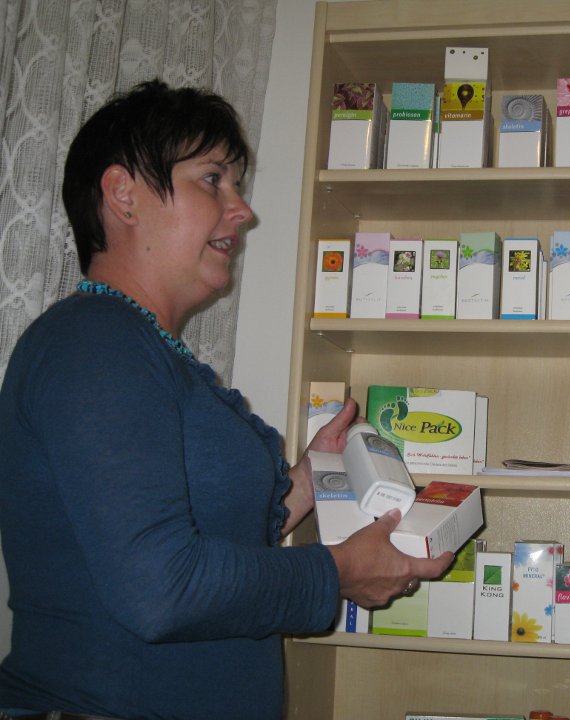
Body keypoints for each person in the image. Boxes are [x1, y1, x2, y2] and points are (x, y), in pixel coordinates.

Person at [0, 80, 452, 720]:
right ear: (123, 195)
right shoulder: (94, 342)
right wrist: (336, 572)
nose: (242, 210)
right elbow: (161, 589)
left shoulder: (148, 351)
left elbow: (214, 541)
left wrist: (308, 479)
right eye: (213, 180)